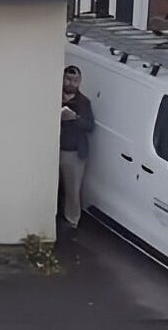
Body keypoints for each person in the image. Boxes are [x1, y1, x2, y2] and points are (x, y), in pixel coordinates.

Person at [59, 65, 95, 231]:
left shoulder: (83, 102)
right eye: (68, 79)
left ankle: (72, 220)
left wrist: (75, 118)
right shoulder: (54, 96)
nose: (71, 83)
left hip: (73, 152)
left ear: (79, 82)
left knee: (73, 189)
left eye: (74, 80)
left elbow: (89, 126)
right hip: (54, 148)